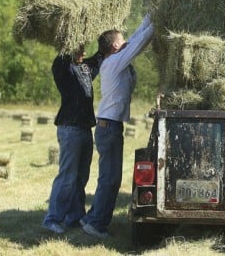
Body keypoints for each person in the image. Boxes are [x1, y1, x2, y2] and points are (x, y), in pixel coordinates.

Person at [81, 14, 154, 239]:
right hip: (109, 127)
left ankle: (92, 217)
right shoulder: (114, 61)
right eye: (121, 41)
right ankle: (96, 224)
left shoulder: (114, 58)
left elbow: (132, 41)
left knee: (107, 177)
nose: (125, 44)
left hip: (109, 126)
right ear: (114, 46)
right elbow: (138, 44)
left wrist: (149, 19)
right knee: (111, 179)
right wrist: (156, 24)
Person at [42, 45, 101, 234]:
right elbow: (62, 58)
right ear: (69, 49)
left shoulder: (85, 68)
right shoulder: (62, 68)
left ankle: (74, 217)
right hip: (69, 128)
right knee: (67, 176)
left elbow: (100, 56)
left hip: (84, 129)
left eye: (84, 49)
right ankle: (52, 219)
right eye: (79, 49)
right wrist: (68, 40)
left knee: (80, 177)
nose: (83, 53)